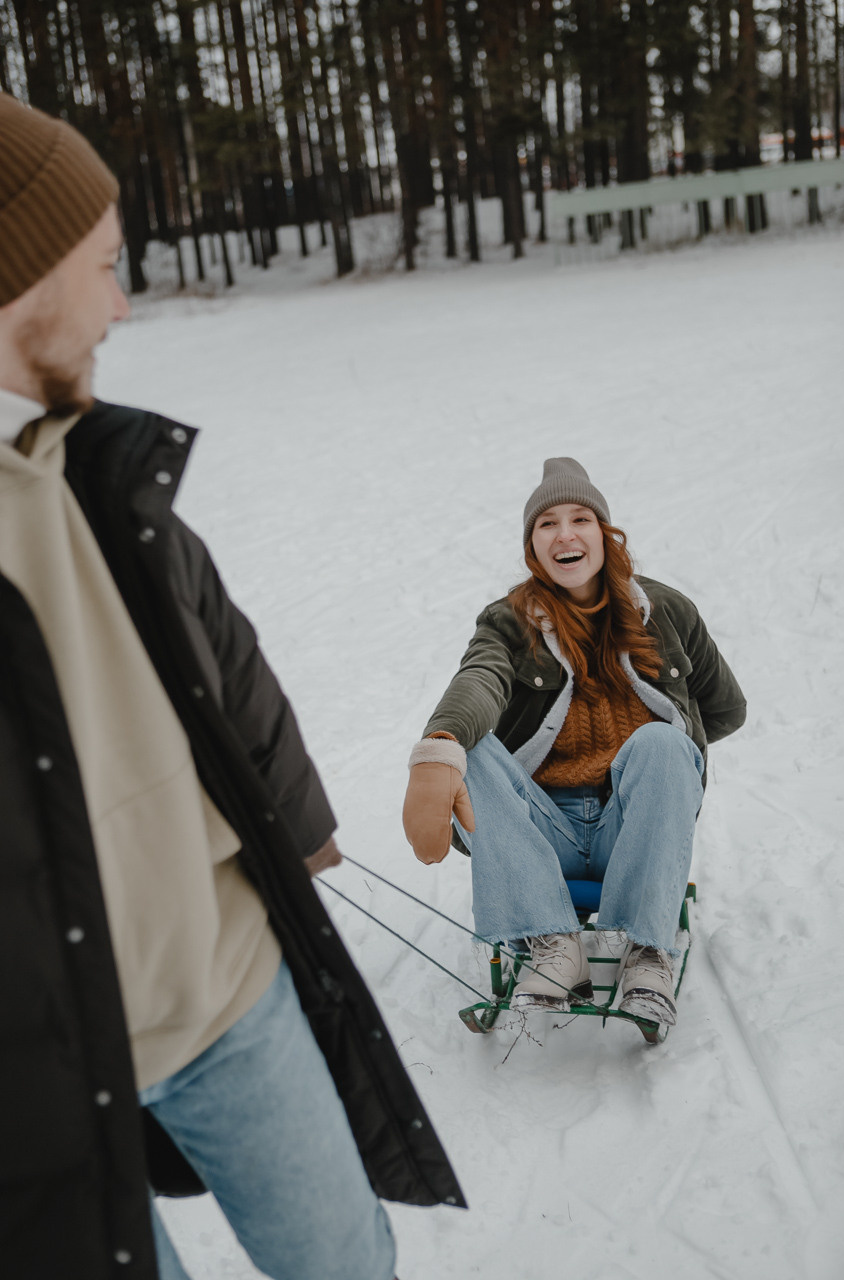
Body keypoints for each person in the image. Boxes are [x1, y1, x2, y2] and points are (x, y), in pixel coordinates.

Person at [0, 93, 463, 1280]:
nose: (120, 306)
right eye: (104, 267)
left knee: (345, 1261)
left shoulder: (97, 466)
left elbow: (226, 660)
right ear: (19, 275)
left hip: (227, 990)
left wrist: (299, 821)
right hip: (41, 1076)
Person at [403, 457, 746, 1025]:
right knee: (474, 750)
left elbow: (725, 710)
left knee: (664, 743)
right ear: (532, 547)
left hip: (630, 826)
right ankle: (554, 945)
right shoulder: (508, 622)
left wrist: (670, 771)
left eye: (580, 519)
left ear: (604, 534)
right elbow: (479, 680)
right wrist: (440, 747)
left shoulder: (667, 612)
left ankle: (647, 952)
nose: (565, 534)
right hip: (540, 832)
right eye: (548, 524)